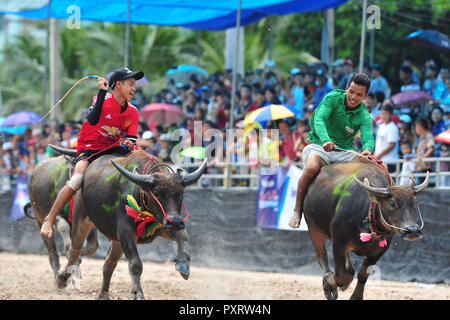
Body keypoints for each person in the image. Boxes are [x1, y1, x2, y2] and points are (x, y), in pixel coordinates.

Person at [40, 67, 144, 238]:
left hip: (113, 148)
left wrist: (129, 143)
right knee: (77, 179)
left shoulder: (133, 112)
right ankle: (49, 219)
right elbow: (92, 119)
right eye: (130, 84)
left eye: (134, 85)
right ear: (118, 84)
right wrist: (102, 92)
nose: (134, 88)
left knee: (137, 169)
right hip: (89, 148)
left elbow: (132, 139)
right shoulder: (101, 98)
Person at [289, 73, 374, 229]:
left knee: (372, 169)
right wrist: (326, 139)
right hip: (319, 145)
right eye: (352, 92)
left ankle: (372, 217)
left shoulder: (364, 115)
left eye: (359, 95)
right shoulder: (332, 98)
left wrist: (367, 150)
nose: (354, 97)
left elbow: (368, 137)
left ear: (365, 96)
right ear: (347, 88)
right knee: (312, 167)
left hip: (345, 151)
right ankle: (297, 210)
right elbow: (318, 119)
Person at [373, 105, 399, 172]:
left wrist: (379, 155)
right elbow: (379, 143)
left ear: (391, 115)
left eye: (386, 114)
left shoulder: (392, 127)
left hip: (389, 161)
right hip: (380, 161)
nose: (383, 116)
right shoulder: (381, 126)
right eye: (382, 114)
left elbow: (392, 145)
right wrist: (375, 155)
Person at [414, 118, 435, 184]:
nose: (416, 129)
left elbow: (431, 148)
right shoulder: (421, 137)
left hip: (426, 166)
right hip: (420, 166)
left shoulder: (429, 136)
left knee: (424, 186)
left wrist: (423, 157)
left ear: (420, 127)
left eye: (416, 127)